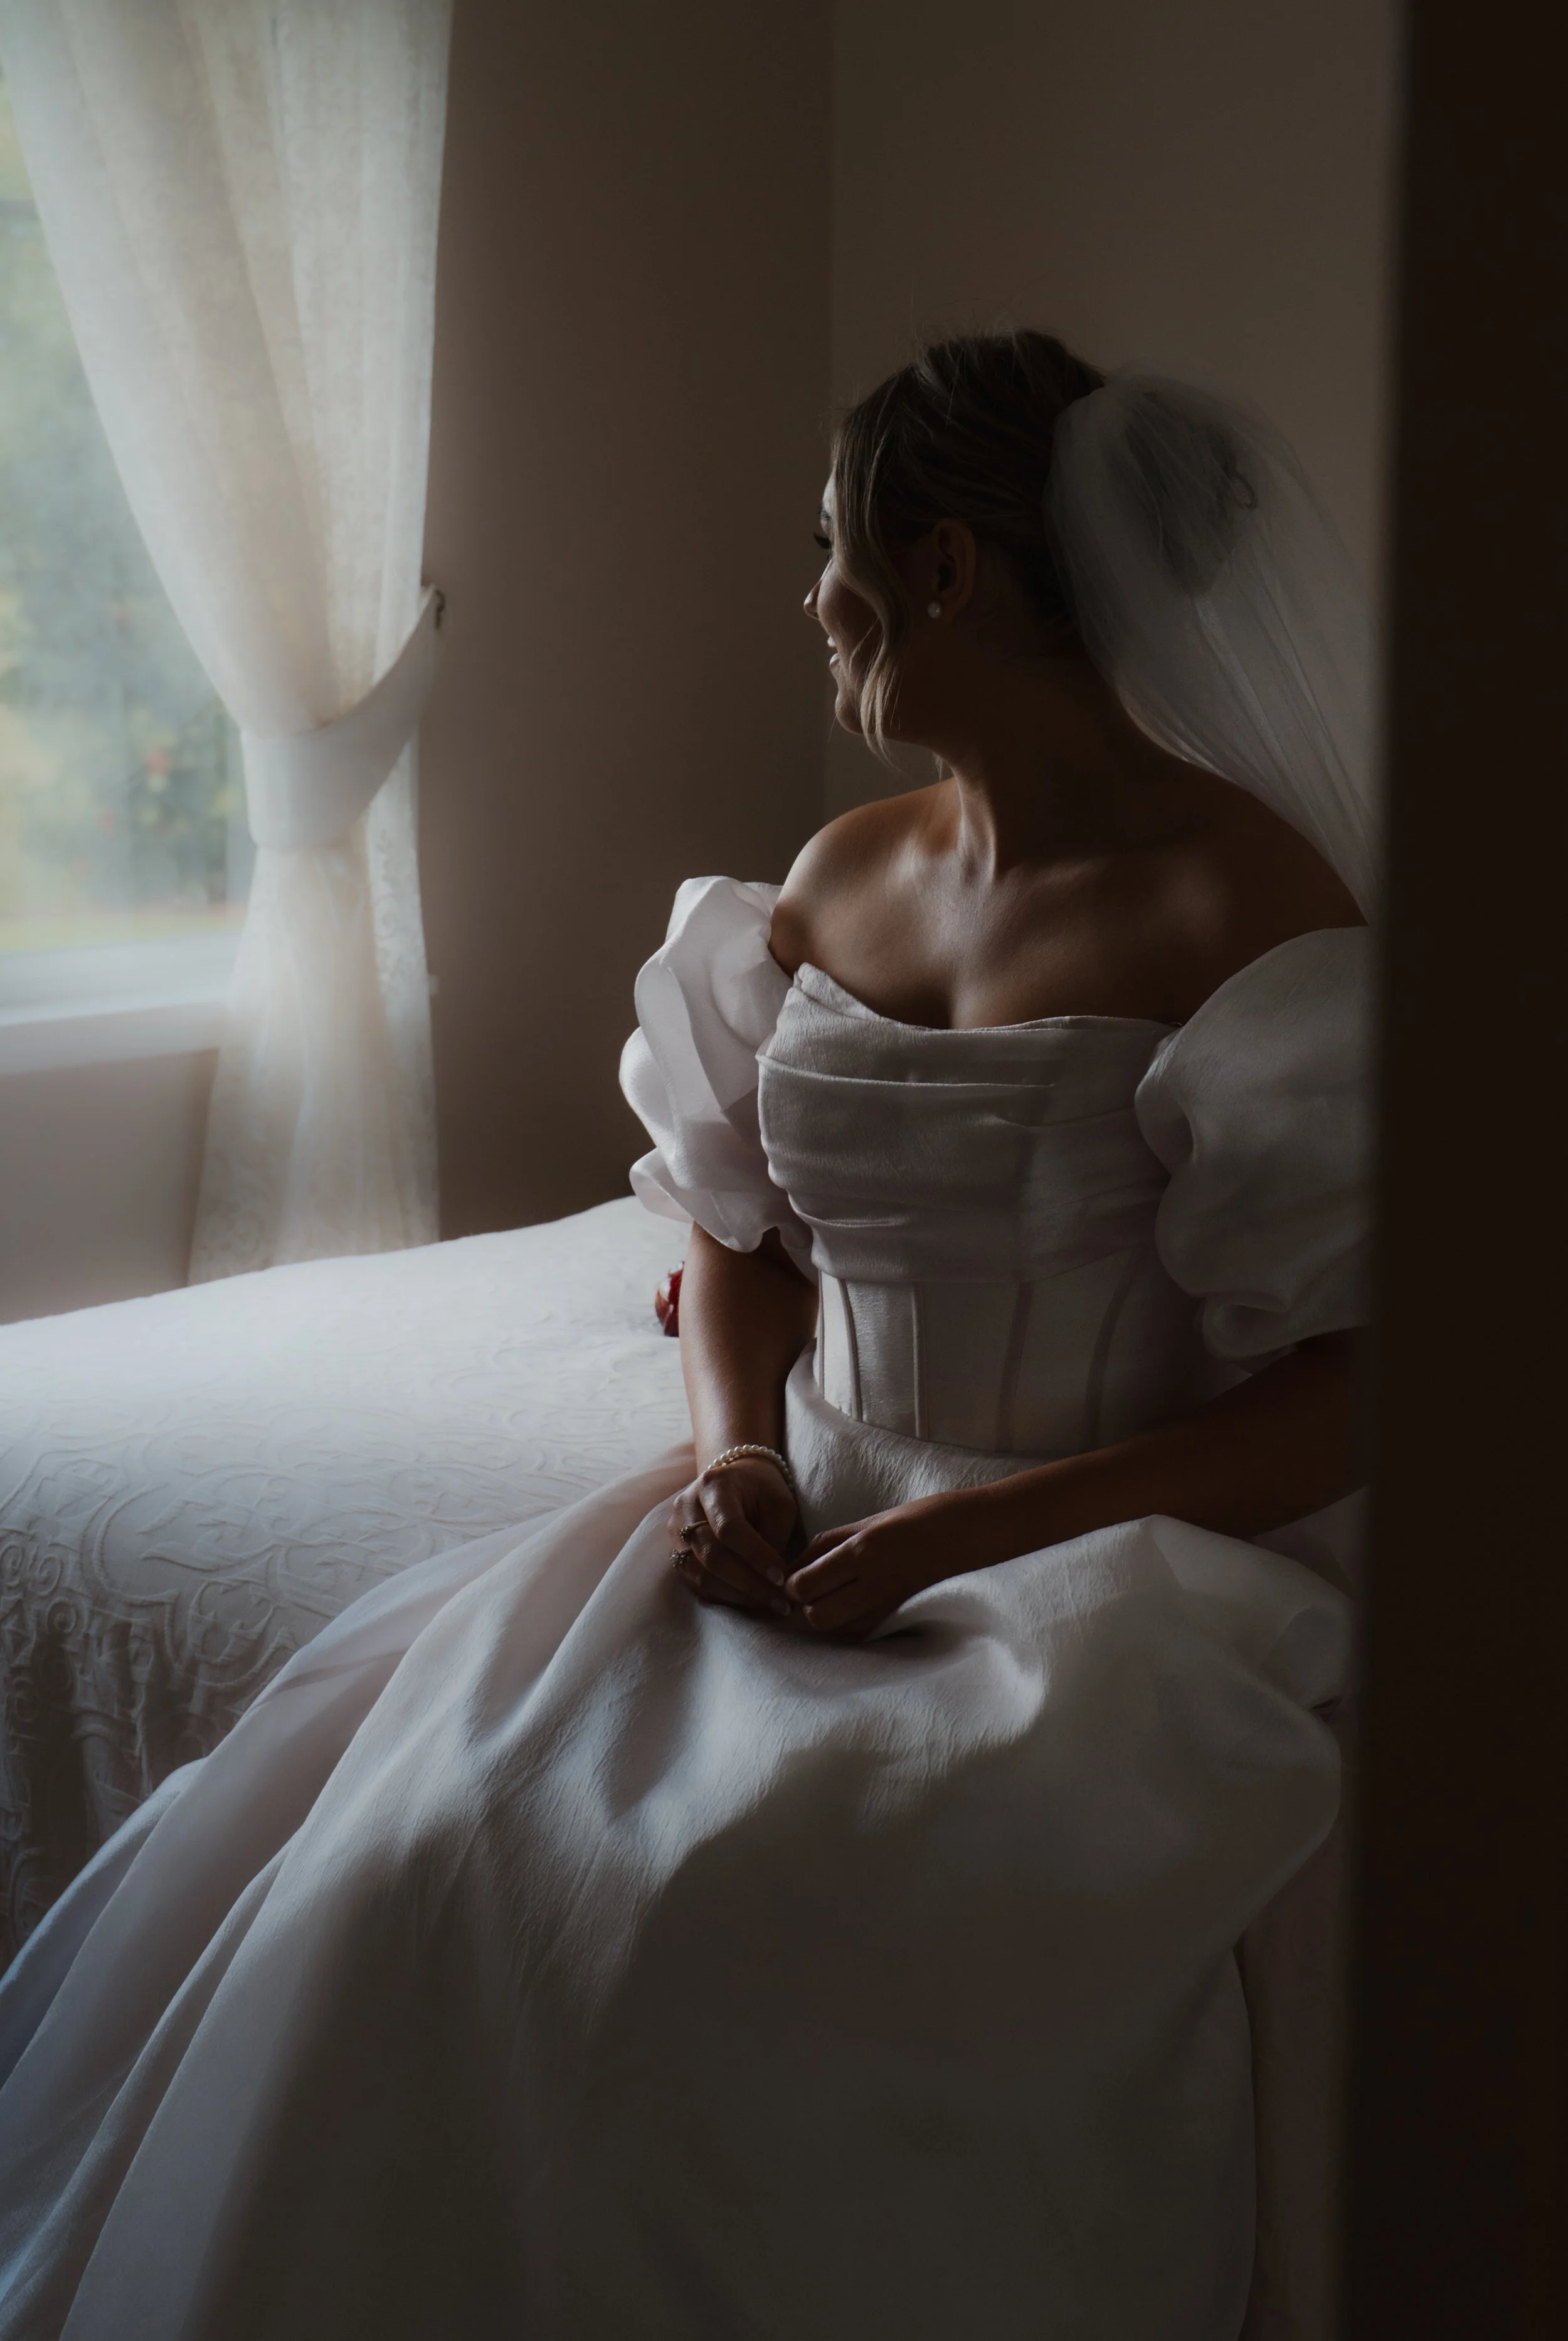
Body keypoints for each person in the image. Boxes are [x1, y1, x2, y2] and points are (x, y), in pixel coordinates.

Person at [0, 331, 1373, 2340]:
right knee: (434, 1843)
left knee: (716, 1912)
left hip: (1083, 1561)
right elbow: (736, 1229)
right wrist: (742, 1452)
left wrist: (947, 1541)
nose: (809, 602)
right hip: (800, 1496)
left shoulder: (1237, 908)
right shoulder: (841, 873)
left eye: (831, 552)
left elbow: (1347, 1389)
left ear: (947, 574)